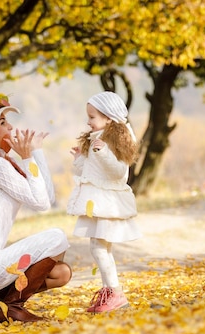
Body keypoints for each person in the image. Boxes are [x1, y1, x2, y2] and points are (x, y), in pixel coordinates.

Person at [0, 93, 72, 323]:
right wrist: (28, 158)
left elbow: (45, 197)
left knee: (62, 273)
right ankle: (12, 306)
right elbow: (41, 204)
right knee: (58, 237)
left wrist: (35, 152)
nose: (10, 126)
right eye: (2, 122)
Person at [67, 91, 142, 313]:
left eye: (92, 117)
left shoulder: (115, 140)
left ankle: (116, 293)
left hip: (108, 202)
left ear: (108, 118)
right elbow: (90, 172)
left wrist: (103, 153)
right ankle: (109, 292)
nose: (88, 121)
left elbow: (119, 173)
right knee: (100, 248)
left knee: (99, 248)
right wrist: (79, 159)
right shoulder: (97, 139)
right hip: (98, 201)